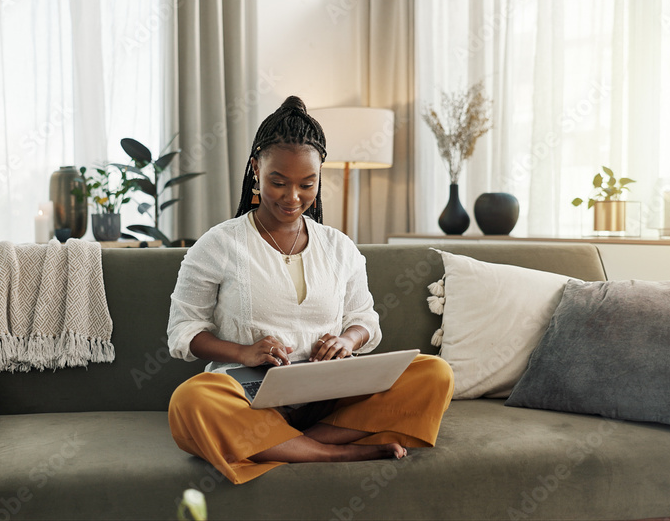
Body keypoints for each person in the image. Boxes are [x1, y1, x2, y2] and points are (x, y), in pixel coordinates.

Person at [166, 96, 454, 484]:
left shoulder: (339, 247)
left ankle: (287, 446)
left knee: (433, 373)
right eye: (278, 182)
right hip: (251, 396)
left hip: (330, 395)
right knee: (191, 401)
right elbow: (184, 331)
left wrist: (347, 341)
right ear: (255, 169)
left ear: (321, 175)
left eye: (307, 184)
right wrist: (243, 352)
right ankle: (333, 453)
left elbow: (364, 319)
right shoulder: (219, 244)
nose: (292, 197)